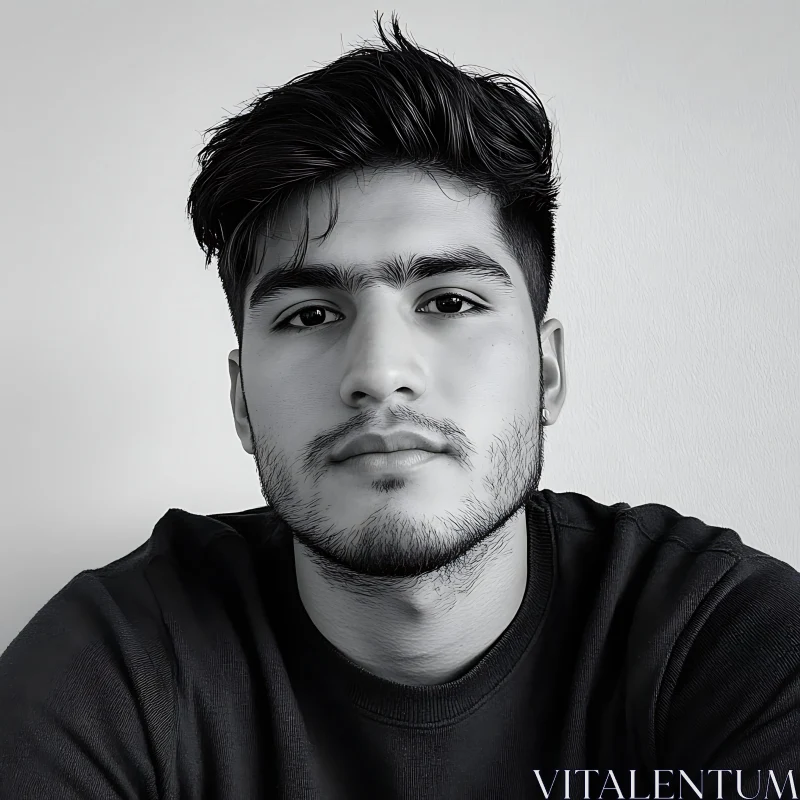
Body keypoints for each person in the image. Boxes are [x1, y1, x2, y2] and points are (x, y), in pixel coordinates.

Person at [1, 13, 799, 800]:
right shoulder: (115, 664)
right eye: (310, 315)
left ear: (548, 373)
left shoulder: (729, 642)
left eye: (450, 302)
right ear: (241, 400)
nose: (379, 374)